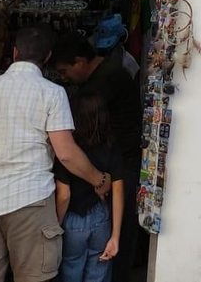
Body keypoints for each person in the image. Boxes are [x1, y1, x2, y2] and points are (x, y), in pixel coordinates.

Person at [0, 25, 113, 282]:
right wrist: (99, 180)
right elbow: (66, 153)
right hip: (30, 201)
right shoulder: (52, 93)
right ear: (47, 57)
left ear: (14, 53)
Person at [54, 35, 144, 281]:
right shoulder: (109, 72)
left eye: (64, 71)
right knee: (104, 252)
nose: (63, 78)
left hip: (122, 163)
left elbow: (64, 193)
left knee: (113, 239)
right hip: (117, 164)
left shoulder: (103, 83)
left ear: (80, 62)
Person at [55, 92, 125, 282]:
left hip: (73, 219)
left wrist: (55, 227)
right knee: (99, 272)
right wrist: (115, 237)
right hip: (101, 217)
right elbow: (118, 191)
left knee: (70, 269)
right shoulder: (111, 144)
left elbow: (63, 195)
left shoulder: (68, 149)